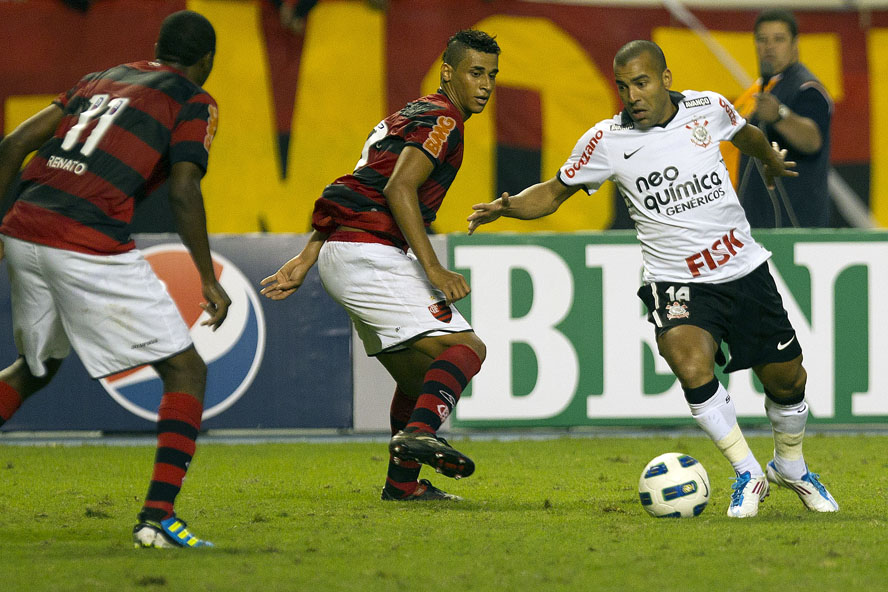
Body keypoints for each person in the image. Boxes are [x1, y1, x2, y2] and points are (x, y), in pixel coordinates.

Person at [467, 40, 838, 518]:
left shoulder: (708, 107)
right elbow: (556, 192)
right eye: (623, 87)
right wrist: (510, 206)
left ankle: (790, 466)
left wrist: (768, 158)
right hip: (675, 280)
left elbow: (745, 133)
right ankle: (747, 471)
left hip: (743, 269)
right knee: (688, 361)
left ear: (664, 79)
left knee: (787, 380)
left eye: (641, 83)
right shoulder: (606, 141)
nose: (632, 96)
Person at [0, 10, 231, 547]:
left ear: (157, 46)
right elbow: (183, 189)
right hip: (84, 238)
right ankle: (158, 519)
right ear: (207, 62)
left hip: (23, 226)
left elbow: (13, 144)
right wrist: (206, 276)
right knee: (185, 368)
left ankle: (157, 519)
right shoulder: (195, 100)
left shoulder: (101, 78)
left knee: (35, 370)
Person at [261, 29, 500, 501]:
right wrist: (434, 269)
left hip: (344, 251)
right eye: (476, 73)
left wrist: (310, 254)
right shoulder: (445, 119)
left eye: (492, 74)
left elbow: (360, 185)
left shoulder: (411, 112)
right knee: (467, 349)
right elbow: (397, 189)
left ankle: (402, 486)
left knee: (417, 378)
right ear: (448, 72)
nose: (486, 84)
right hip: (369, 252)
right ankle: (421, 438)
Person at [734, 9, 833, 227]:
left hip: (795, 225)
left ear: (795, 44)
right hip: (758, 222)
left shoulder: (807, 88)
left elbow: (812, 139)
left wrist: (780, 115)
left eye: (779, 39)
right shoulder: (762, 88)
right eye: (762, 39)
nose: (769, 47)